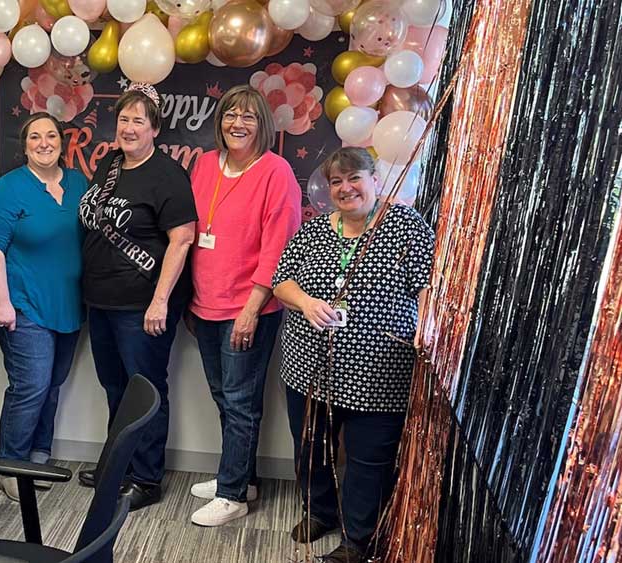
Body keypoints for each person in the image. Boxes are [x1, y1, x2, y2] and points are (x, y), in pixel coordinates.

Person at [271, 147, 434, 562]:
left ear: (374, 179)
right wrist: (306, 302)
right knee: (309, 445)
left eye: (355, 178)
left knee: (368, 459)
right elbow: (280, 282)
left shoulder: (405, 226)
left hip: (379, 373)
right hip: (309, 367)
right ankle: (320, 511)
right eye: (337, 182)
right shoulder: (313, 232)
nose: (347, 189)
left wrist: (428, 330)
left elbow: (427, 286)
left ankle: (357, 541)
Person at [76, 83, 198, 510]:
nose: (129, 128)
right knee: (114, 386)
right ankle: (118, 464)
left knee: (146, 389)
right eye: (124, 119)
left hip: (143, 305)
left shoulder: (167, 175)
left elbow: (182, 240)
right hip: (103, 301)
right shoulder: (110, 164)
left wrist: (161, 301)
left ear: (155, 129)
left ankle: (146, 477)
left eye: (138, 121)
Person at [185, 85, 302, 526]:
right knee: (224, 397)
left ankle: (232, 494)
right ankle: (241, 476)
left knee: (240, 401)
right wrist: (189, 302)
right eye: (231, 114)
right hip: (205, 304)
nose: (238, 123)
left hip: (248, 306)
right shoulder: (202, 165)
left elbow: (280, 246)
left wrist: (253, 307)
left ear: (262, 126)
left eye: (249, 117)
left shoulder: (276, 172)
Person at [0, 112, 87, 502]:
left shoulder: (78, 183)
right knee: (31, 384)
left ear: (63, 141)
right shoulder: (10, 189)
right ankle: (10, 461)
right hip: (22, 303)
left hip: (69, 304)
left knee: (53, 383)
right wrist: (4, 304)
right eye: (35, 137)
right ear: (24, 146)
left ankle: (39, 455)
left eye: (51, 135)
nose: (44, 143)